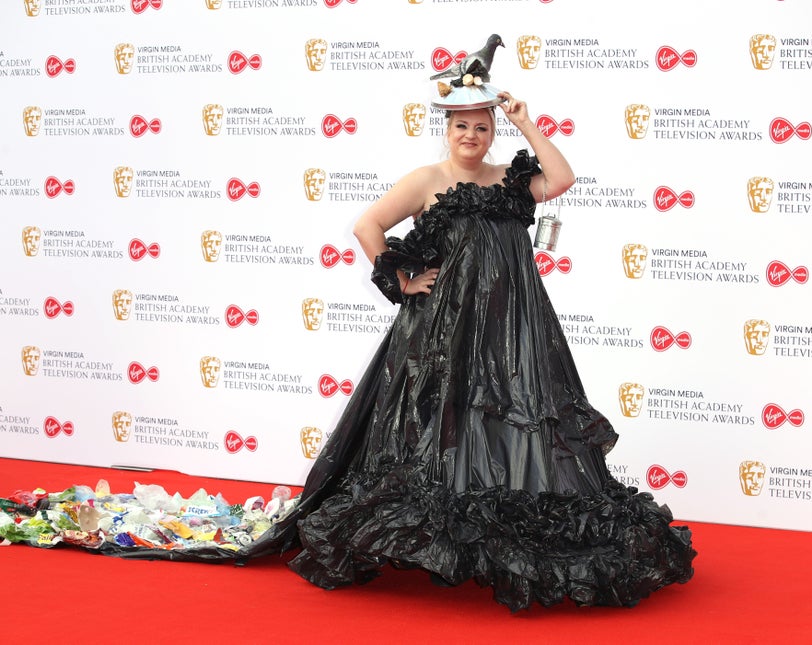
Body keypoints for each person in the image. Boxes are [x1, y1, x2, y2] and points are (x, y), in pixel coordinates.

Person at [243, 83, 696, 612]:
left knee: (521, 418)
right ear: (447, 130)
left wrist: (527, 121)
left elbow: (563, 179)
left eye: (482, 127)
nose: (471, 136)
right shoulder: (426, 180)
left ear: (493, 132)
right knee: (440, 423)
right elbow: (368, 225)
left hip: (514, 327)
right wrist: (404, 280)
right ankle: (443, 536)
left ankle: (499, 533)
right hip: (443, 330)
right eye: (462, 126)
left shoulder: (510, 181)